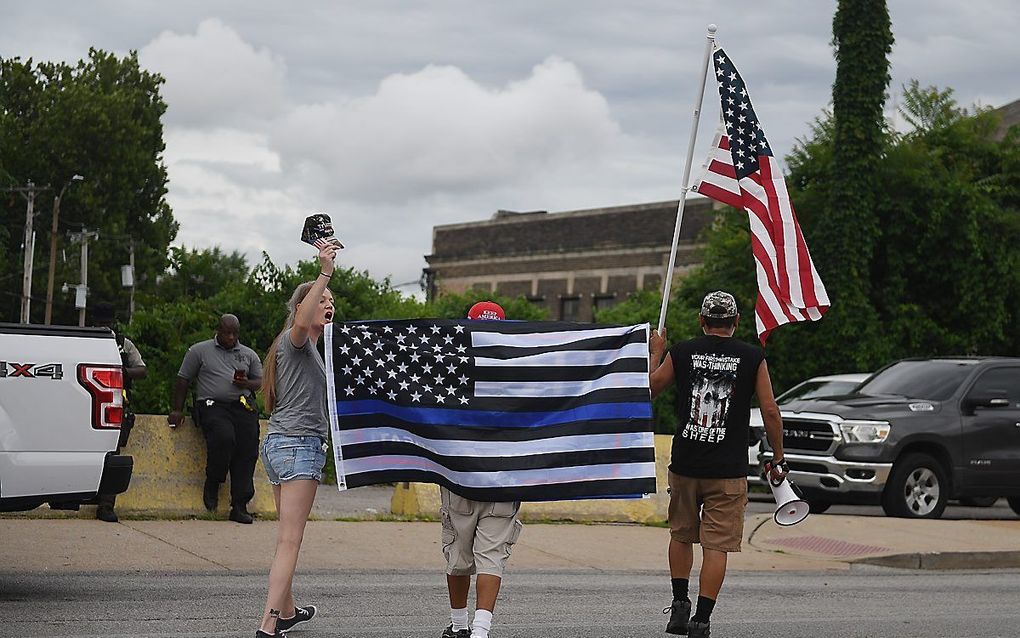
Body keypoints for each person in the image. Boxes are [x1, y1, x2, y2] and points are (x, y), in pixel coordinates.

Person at [648, 291, 787, 638]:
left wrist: (656, 353)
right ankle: (701, 620)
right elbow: (770, 411)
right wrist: (778, 455)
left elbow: (649, 389)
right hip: (728, 470)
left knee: (681, 535)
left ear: (702, 321)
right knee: (716, 546)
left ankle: (679, 607)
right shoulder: (753, 357)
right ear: (736, 322)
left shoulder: (683, 352)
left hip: (685, 462)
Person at [255, 241, 337, 638]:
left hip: (279, 445)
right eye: (323, 299)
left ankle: (286, 611)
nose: (328, 303)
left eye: (332, 299)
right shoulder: (296, 339)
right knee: (291, 541)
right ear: (304, 306)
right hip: (298, 447)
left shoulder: (314, 352)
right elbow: (303, 321)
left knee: (285, 538)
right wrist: (324, 273)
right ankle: (268, 624)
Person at [438, 300, 523, 638]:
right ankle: (481, 630)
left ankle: (460, 625)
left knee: (458, 554)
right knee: (492, 556)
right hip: (505, 477)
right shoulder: (521, 372)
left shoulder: (452, 372)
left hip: (461, 476)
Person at [168, 314, 263, 524]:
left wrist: (246, 383)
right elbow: (183, 379)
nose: (231, 337)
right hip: (212, 406)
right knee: (224, 437)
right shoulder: (199, 351)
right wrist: (177, 409)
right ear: (218, 330)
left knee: (248, 447)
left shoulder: (248, 354)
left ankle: (239, 505)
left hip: (241, 405)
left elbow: (260, 382)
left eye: (235, 333)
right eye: (227, 333)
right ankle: (214, 480)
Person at [91, 302, 147, 523]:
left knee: (112, 453)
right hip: (83, 402)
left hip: (113, 404)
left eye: (106, 323)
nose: (103, 326)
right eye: (99, 323)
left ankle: (106, 505)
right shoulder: (83, 340)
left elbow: (142, 370)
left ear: (113, 322)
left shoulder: (122, 344)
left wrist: (120, 372)